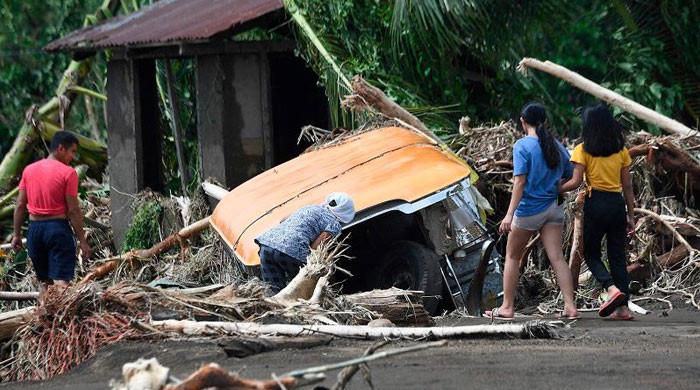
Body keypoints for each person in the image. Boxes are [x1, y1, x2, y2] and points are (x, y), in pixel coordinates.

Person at [486, 102, 578, 320]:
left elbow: (519, 182)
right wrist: (556, 187)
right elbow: (569, 174)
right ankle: (570, 306)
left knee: (512, 256)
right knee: (557, 257)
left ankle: (507, 307)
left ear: (522, 121)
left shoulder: (522, 146)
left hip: (529, 210)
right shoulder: (556, 146)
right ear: (544, 121)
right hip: (554, 208)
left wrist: (509, 214)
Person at [560, 103, 635, 320]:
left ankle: (611, 289)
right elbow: (628, 186)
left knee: (591, 253)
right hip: (616, 204)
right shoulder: (621, 151)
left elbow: (575, 182)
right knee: (618, 257)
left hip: (597, 203)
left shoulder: (583, 150)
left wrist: (556, 187)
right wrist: (631, 214)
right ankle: (624, 309)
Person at [11, 131, 92, 302]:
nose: (73, 156)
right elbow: (73, 211)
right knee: (62, 283)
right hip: (57, 229)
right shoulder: (68, 173)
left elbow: (19, 206)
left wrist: (17, 235)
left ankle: (43, 323)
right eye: (72, 151)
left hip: (34, 232)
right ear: (60, 148)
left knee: (44, 283)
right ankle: (62, 325)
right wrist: (82, 241)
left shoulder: (29, 170)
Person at [255, 192, 355, 293]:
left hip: (267, 245)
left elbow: (284, 220)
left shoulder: (311, 207)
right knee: (306, 292)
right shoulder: (334, 224)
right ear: (346, 212)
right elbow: (315, 248)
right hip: (292, 252)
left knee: (274, 293)